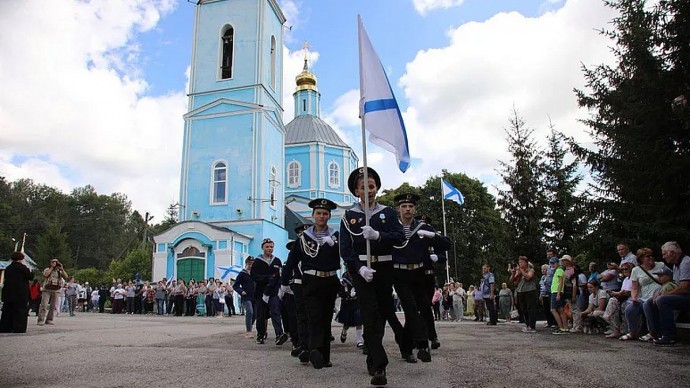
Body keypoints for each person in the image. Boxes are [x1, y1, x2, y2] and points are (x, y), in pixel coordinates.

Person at [339, 167, 405, 386]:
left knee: (381, 315)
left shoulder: (388, 213)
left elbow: (398, 237)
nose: (368, 190)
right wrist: (358, 268)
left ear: (376, 188)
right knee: (369, 313)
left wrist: (377, 236)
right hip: (362, 272)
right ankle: (379, 365)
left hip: (384, 269)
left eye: (371, 186)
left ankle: (372, 356)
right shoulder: (349, 216)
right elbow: (345, 250)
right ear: (356, 192)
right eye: (362, 187)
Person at [282, 198, 341, 369]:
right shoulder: (303, 238)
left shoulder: (335, 236)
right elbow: (291, 261)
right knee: (314, 317)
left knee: (326, 318)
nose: (321, 216)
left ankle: (325, 356)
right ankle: (314, 349)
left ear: (329, 216)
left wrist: (334, 246)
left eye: (325, 213)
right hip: (311, 281)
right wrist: (284, 283)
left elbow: (344, 256)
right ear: (313, 215)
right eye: (318, 213)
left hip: (329, 280)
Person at [391, 193, 450, 363]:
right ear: (398, 209)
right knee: (410, 308)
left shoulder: (423, 228)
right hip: (399, 273)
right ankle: (423, 345)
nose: (407, 209)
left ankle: (406, 347)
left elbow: (446, 244)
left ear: (414, 208)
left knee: (422, 308)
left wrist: (434, 236)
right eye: (404, 206)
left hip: (419, 274)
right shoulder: (393, 227)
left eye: (410, 206)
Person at [644, 241, 690, 346]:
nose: (663, 257)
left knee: (662, 300)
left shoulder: (686, 263)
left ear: (672, 253)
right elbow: (676, 286)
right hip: (684, 295)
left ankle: (670, 336)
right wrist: (660, 293)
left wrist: (664, 295)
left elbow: (684, 288)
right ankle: (656, 334)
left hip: (687, 295)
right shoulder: (675, 265)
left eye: (664, 254)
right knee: (649, 303)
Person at [620, 247, 665, 341]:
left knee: (647, 305)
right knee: (630, 308)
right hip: (644, 296)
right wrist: (634, 298)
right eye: (648, 256)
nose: (651, 258)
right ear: (641, 259)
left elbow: (670, 278)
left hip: (659, 295)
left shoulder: (661, 265)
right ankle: (632, 332)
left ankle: (652, 333)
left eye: (652, 255)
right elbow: (634, 288)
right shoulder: (636, 270)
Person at [251, 238, 288, 345]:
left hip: (273, 292)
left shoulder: (277, 261)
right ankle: (260, 335)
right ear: (262, 247)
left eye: (271, 247)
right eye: (267, 246)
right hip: (260, 292)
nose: (269, 249)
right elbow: (254, 276)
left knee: (275, 312)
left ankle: (279, 334)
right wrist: (267, 278)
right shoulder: (257, 262)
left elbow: (280, 276)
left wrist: (279, 288)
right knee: (261, 315)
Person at [0, 252, 33, 333]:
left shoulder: (8, 268)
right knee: (20, 311)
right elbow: (30, 277)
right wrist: (31, 272)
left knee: (7, 311)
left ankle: (6, 327)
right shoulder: (23, 268)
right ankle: (19, 327)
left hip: (9, 292)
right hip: (20, 293)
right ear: (20, 259)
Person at [602, 262, 633, 338]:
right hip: (623, 298)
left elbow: (628, 292)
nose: (624, 271)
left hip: (631, 299)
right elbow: (622, 292)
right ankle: (615, 329)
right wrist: (616, 293)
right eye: (622, 269)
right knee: (613, 301)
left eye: (626, 269)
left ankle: (608, 317)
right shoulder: (625, 279)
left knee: (615, 302)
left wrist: (616, 293)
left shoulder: (633, 278)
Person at [510, 256, 539, 332]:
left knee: (531, 308)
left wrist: (521, 271)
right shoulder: (518, 271)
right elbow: (512, 281)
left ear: (526, 263)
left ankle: (532, 326)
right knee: (523, 309)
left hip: (530, 291)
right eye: (519, 262)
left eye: (522, 262)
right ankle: (527, 324)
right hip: (521, 291)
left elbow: (528, 277)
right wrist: (513, 273)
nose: (520, 264)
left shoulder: (530, 270)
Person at [336, 271, 363, 349]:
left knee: (359, 321)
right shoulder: (344, 280)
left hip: (356, 302)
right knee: (347, 323)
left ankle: (359, 341)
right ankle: (344, 332)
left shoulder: (358, 277)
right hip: (347, 303)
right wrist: (347, 294)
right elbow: (340, 292)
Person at [37, 258, 69, 326]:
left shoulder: (59, 271)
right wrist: (52, 267)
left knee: (53, 306)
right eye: (54, 262)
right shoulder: (47, 269)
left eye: (56, 262)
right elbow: (45, 275)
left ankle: (49, 319)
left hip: (56, 290)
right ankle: (41, 319)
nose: (55, 264)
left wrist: (62, 269)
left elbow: (66, 276)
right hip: (47, 289)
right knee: (44, 305)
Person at [233, 257, 256, 338]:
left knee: (255, 314)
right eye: (249, 264)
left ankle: (250, 325)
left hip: (256, 296)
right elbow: (235, 285)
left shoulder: (256, 273)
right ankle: (248, 331)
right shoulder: (242, 273)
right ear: (246, 263)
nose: (251, 265)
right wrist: (241, 291)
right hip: (246, 296)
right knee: (250, 311)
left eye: (252, 264)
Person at [550, 256, 569, 334]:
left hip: (556, 292)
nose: (552, 265)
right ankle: (564, 328)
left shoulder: (559, 270)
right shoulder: (558, 270)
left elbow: (561, 282)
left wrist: (558, 294)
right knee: (560, 310)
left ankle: (561, 327)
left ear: (557, 263)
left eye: (553, 263)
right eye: (551, 263)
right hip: (556, 291)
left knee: (553, 310)